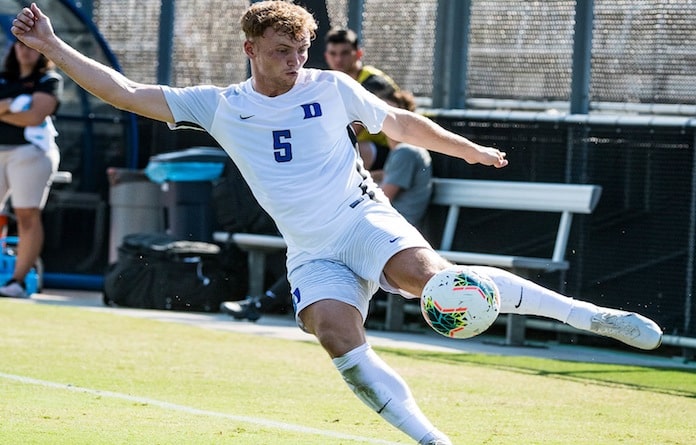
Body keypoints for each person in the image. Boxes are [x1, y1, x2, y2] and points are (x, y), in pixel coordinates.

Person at [11, 3, 663, 444]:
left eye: (301, 48)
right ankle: (432, 438)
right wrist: (53, 46)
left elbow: (401, 125)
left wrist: (463, 147)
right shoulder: (217, 105)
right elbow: (123, 92)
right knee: (336, 337)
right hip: (312, 248)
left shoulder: (331, 86)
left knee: (429, 280)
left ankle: (590, 315)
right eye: (281, 50)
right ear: (250, 50)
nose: (296, 59)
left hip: (365, 222)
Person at [0, 37, 62, 298]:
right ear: (14, 48)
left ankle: (17, 281)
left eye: (32, 47)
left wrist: (4, 109)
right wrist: (16, 108)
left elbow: (36, 116)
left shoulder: (49, 81)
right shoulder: (3, 79)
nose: (25, 51)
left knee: (26, 214)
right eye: (21, 45)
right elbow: (25, 113)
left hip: (31, 154)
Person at [324, 27, 398, 172]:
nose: (338, 59)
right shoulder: (328, 83)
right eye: (333, 54)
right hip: (359, 147)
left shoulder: (374, 82)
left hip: (391, 153)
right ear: (326, 56)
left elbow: (352, 131)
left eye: (345, 53)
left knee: (357, 150)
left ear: (358, 54)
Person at [372, 89, 432, 228]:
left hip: (395, 228)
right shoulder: (402, 151)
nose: (385, 116)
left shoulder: (405, 151)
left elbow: (383, 199)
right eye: (381, 111)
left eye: (392, 111)